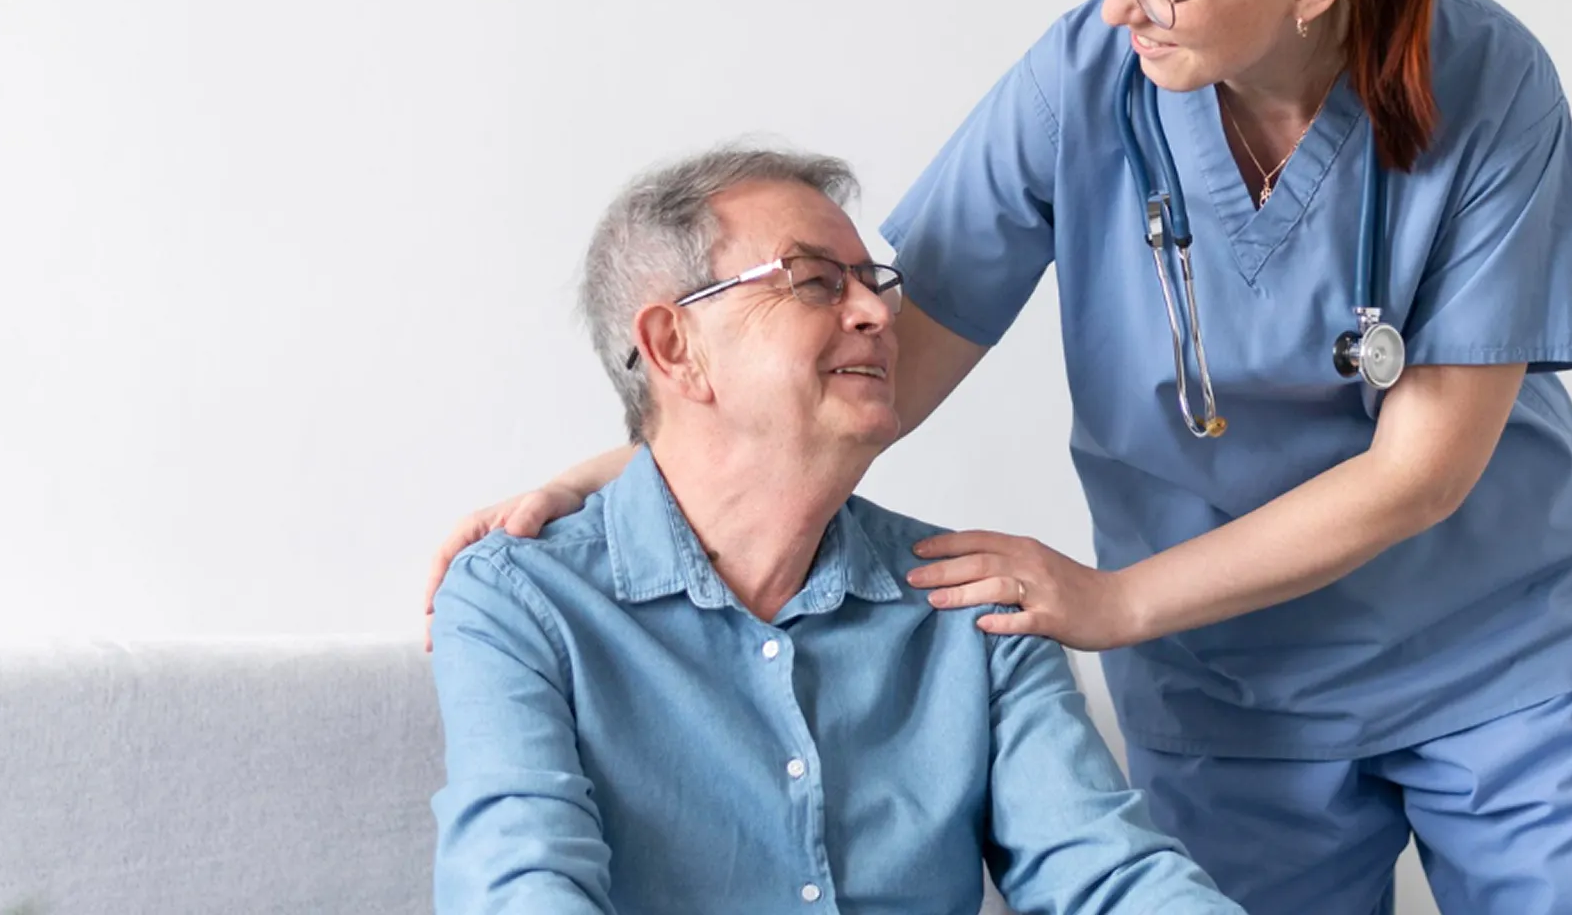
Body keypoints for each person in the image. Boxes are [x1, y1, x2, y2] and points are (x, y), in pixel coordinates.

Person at [432, 0, 1572, 915]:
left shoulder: (1486, 84)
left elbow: (1421, 472)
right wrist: (609, 480)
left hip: (1497, 663)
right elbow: (875, 348)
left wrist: (1111, 603)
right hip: (1228, 689)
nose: (1117, 3)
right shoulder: (1083, 81)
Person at [428, 147, 1244, 915]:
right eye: (814, 282)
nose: (878, 315)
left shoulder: (972, 604)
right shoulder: (523, 601)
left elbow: (1107, 872)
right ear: (675, 349)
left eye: (871, 283)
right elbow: (523, 883)